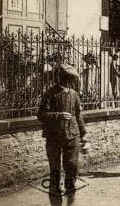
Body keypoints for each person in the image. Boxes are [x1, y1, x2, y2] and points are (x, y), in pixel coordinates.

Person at [37, 64, 87, 195]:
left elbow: (78, 115)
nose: (71, 82)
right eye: (70, 79)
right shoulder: (49, 94)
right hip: (53, 135)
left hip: (72, 135)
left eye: (72, 79)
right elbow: (41, 115)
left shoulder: (74, 94)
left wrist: (84, 134)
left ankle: (70, 189)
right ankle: (55, 192)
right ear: (62, 78)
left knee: (72, 164)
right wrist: (57, 115)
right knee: (55, 166)